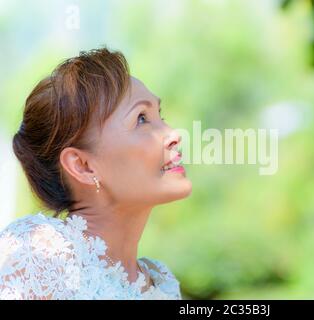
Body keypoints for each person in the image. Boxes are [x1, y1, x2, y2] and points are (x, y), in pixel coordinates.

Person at [0, 48, 192, 299]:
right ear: (83, 165)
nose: (173, 134)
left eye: (160, 115)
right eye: (142, 119)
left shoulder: (162, 283)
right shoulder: (36, 256)